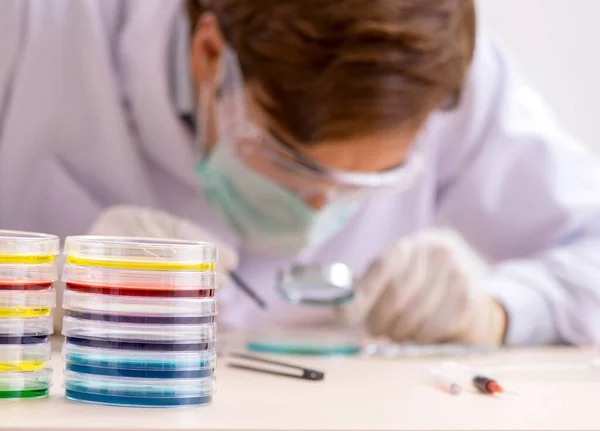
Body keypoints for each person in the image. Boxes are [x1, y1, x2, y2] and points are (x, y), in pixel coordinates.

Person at [1, 0, 599, 346]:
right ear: (211, 56)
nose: (321, 211)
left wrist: (498, 310)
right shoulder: (35, 26)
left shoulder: (442, 76)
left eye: (370, 183)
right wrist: (26, 291)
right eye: (292, 163)